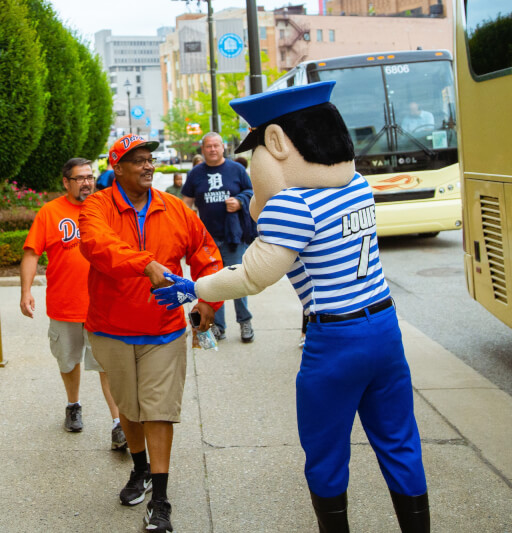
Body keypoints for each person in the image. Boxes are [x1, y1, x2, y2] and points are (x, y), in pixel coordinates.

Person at [153, 81, 430, 532]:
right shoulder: (357, 187)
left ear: (278, 143)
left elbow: (253, 274)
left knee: (325, 453)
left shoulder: (295, 204)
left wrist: (193, 287)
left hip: (336, 340)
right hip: (384, 326)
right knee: (400, 442)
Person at [79, 133, 223, 533]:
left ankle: (160, 499)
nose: (147, 166)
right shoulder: (98, 206)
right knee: (129, 408)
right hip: (111, 328)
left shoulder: (174, 208)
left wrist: (210, 298)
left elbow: (206, 253)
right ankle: (139, 468)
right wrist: (145, 264)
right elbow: (96, 245)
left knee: (158, 411)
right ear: (117, 168)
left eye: (149, 159)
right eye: (137, 160)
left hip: (164, 329)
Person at [20, 157, 127, 451]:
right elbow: (31, 253)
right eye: (79, 178)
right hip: (65, 303)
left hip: (102, 305)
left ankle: (119, 424)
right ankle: (73, 405)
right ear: (66, 182)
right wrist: (26, 291)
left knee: (107, 365)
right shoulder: (50, 212)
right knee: (68, 361)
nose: (86, 183)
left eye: (89, 177)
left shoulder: (107, 208)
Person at [181, 132, 256, 343]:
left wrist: (240, 201)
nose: (212, 149)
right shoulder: (195, 173)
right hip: (206, 241)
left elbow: (252, 191)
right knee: (214, 284)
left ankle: (245, 322)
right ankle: (217, 327)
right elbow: (186, 202)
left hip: (233, 238)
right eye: (208, 146)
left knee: (237, 282)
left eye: (216, 146)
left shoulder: (237, 170)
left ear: (223, 148)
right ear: (202, 149)